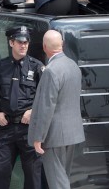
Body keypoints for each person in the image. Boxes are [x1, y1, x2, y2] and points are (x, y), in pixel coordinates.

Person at [0, 27, 44, 189]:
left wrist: (33, 112)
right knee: (0, 173)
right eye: (20, 42)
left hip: (29, 130)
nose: (23, 45)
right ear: (11, 43)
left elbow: (46, 98)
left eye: (26, 42)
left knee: (33, 176)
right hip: (7, 128)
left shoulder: (37, 67)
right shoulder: (2, 66)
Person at [28, 30, 85, 189]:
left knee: (58, 183)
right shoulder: (73, 65)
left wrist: (38, 136)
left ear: (44, 47)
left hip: (54, 136)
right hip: (71, 133)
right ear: (63, 45)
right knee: (63, 178)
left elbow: (47, 106)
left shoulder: (52, 70)